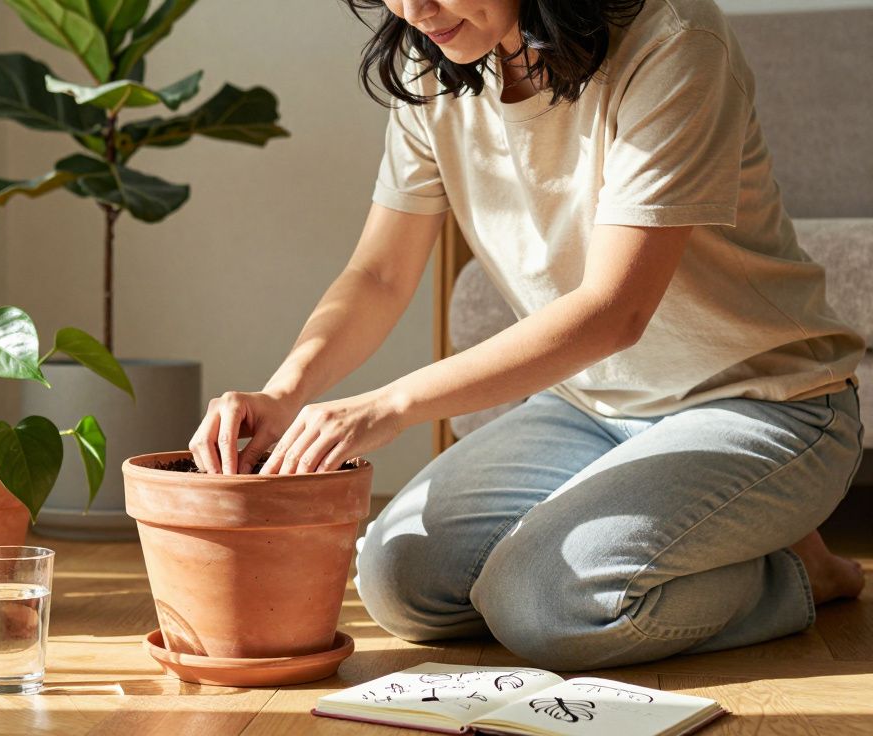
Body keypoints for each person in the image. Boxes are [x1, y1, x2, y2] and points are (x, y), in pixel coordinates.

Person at [187, 0, 867, 670]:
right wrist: (283, 392)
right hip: (588, 409)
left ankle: (796, 573)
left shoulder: (673, 39)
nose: (413, 9)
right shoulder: (436, 64)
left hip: (765, 401)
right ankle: (688, 533)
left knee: (545, 606)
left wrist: (387, 406)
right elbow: (380, 275)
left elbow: (614, 310)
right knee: (397, 581)